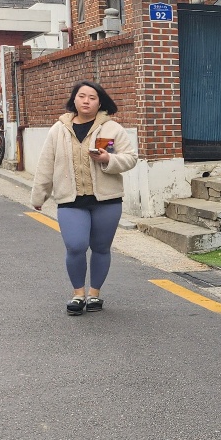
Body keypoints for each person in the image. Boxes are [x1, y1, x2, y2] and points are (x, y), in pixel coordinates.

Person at [30, 81, 139, 316]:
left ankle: (94, 294)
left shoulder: (112, 129)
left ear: (100, 103)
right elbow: (46, 164)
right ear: (74, 100)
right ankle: (78, 295)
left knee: (101, 248)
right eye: (81, 96)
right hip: (70, 201)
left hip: (106, 200)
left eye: (92, 97)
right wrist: (39, 195)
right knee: (76, 246)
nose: (86, 101)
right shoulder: (58, 129)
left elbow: (130, 158)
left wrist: (108, 160)